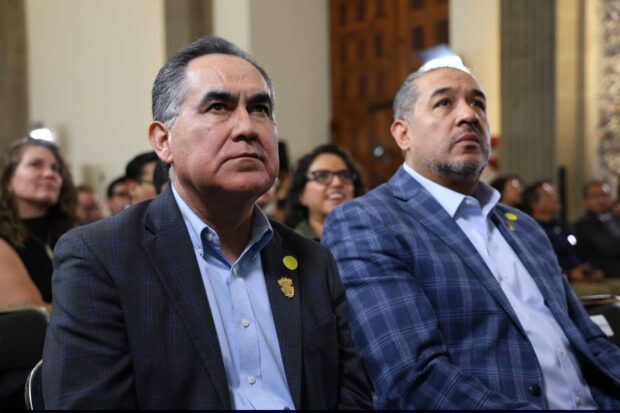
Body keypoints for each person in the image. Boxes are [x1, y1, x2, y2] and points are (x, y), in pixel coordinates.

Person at [42, 36, 372, 410]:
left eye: (260, 109)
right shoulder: (102, 256)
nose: (247, 127)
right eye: (218, 107)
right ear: (163, 141)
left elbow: (352, 395)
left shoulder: (311, 260)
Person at [322, 60, 620, 409]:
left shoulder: (523, 227)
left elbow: (588, 341)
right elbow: (414, 378)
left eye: (478, 103)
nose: (469, 115)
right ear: (403, 134)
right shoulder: (368, 222)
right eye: (444, 103)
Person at [0, 137, 76, 310]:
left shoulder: (72, 234)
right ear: (8, 180)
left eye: (56, 169)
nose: (50, 174)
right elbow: (32, 314)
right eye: (36, 165)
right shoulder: (2, 238)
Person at [284, 144, 365, 241]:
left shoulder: (372, 234)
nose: (337, 183)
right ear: (301, 195)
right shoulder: (290, 244)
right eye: (322, 176)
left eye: (345, 175)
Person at [574, 181, 620, 279]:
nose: (602, 200)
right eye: (595, 196)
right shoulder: (584, 225)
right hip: (606, 275)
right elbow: (611, 247)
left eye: (605, 195)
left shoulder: (615, 218)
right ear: (586, 201)